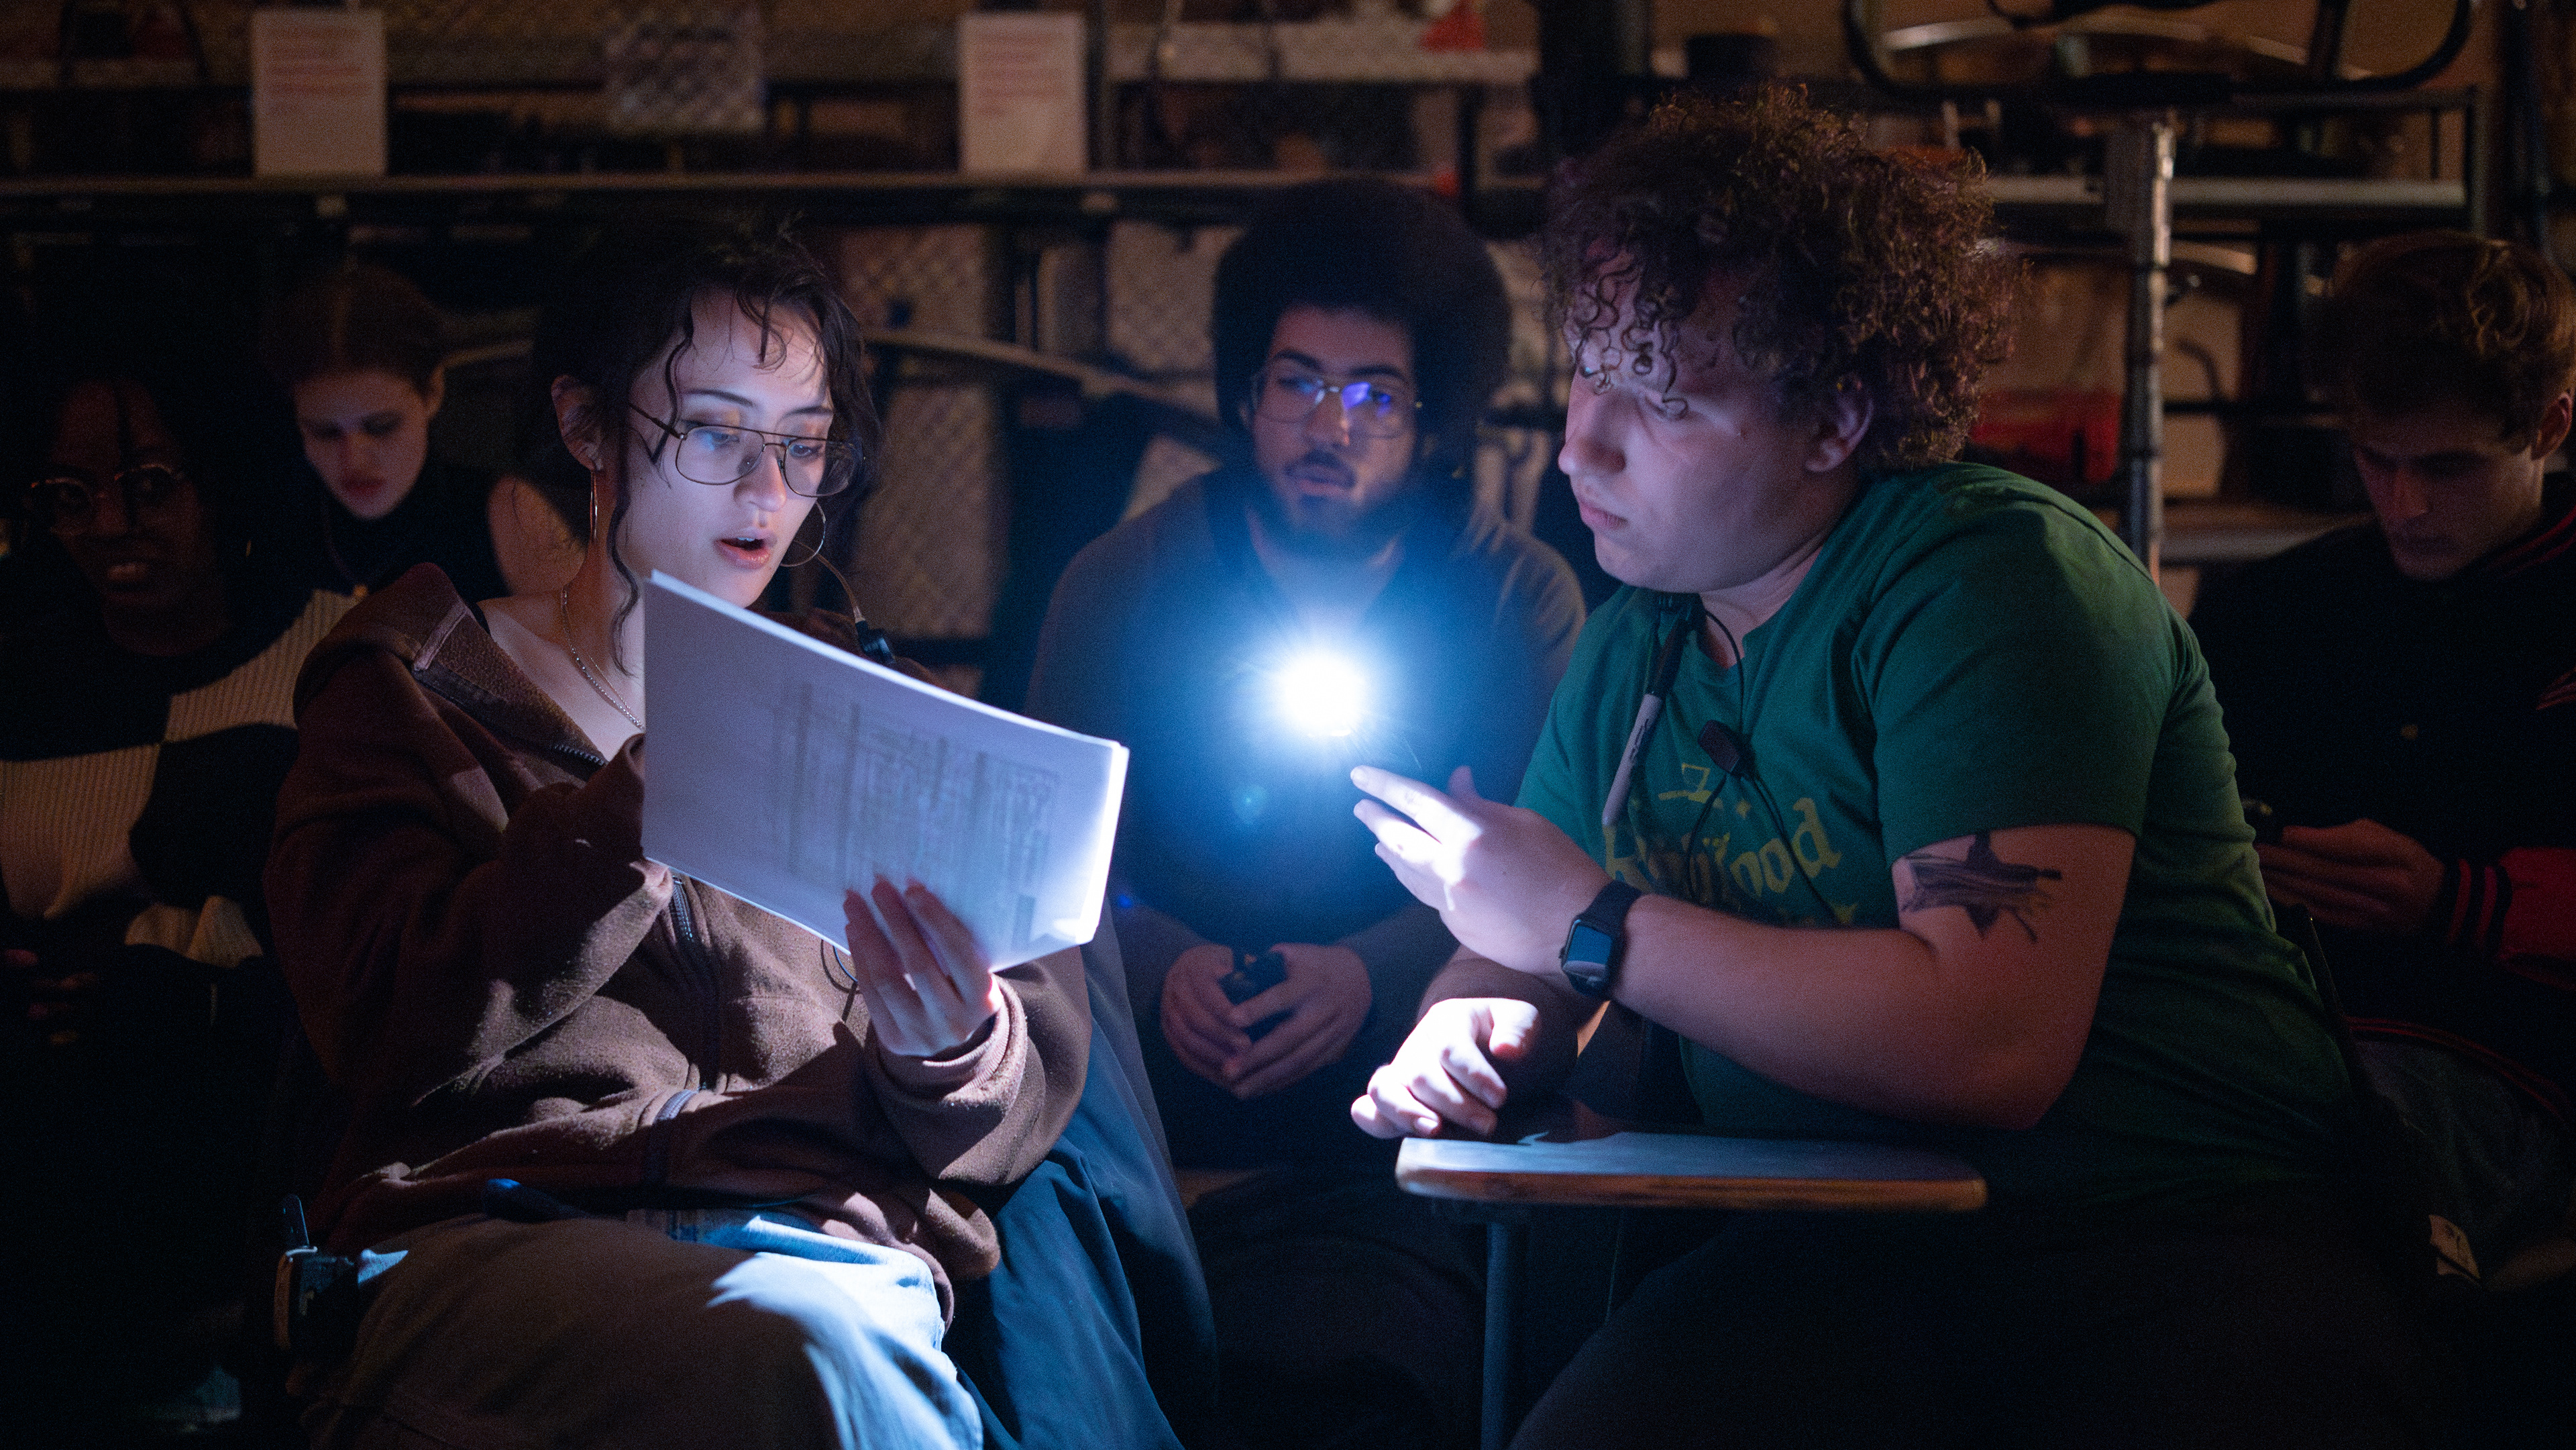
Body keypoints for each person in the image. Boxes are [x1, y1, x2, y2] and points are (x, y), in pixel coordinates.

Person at [1347, 89, 2432, 1447]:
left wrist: (1588, 923)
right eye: (1586, 372)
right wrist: (1475, 1027)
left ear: (1835, 418)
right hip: (1837, 1242)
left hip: (2171, 1234)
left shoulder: (1990, 581)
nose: (1582, 444)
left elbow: (1990, 1044)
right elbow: (1528, 954)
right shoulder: (1638, 641)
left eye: (1664, 401)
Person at [262, 223, 1190, 1450]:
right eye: (712, 434)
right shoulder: (413, 690)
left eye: (802, 444)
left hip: (827, 1247)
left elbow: (1025, 1092)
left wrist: (952, 1051)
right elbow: (376, 1025)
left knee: (829, 1344)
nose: (766, 491)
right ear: (587, 427)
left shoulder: (873, 713)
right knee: (804, 1360)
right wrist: (629, 815)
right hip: (502, 1233)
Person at [1024, 177, 1582, 1447]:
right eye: (1297, 382)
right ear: (1243, 390)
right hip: (1146, 1100)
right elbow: (1042, 853)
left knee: (1355, 1380)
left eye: (1376, 394)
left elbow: (1557, 877)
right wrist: (1159, 961)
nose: (1330, 425)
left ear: (1435, 416)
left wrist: (1370, 973)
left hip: (1398, 1119)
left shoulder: (1514, 601)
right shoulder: (1126, 581)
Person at [2194, 231, 2576, 1278]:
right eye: (2375, 457)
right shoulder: (2278, 606)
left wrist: (2457, 901)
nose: (2404, 504)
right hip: (2268, 1028)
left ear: (2550, 426)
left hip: (2493, 1068)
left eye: (2448, 467)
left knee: (2324, 1181)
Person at [4, 300, 355, 1434]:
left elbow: (379, 967)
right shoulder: (20, 681)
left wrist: (200, 1002)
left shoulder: (336, 653)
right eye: (70, 496)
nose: (110, 525)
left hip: (248, 1151)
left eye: (150, 485)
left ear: (225, 478)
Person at [266, 260, 580, 601]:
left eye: (381, 427)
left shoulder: (514, 519)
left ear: (432, 392)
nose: (352, 458)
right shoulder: (274, 524)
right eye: (325, 432)